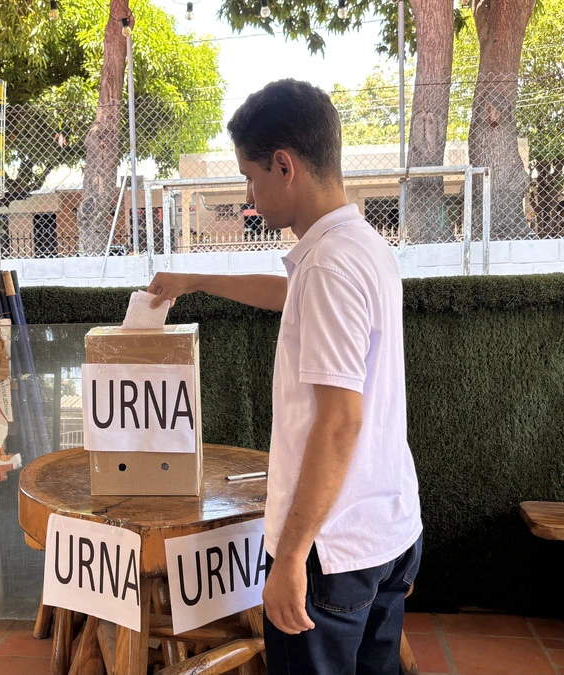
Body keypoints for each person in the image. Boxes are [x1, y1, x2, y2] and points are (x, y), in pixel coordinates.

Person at [147, 79, 423, 674]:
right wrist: (193, 281)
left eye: (250, 176)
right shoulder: (363, 246)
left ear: (284, 165)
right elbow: (289, 294)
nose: (250, 195)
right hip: (388, 529)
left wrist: (292, 556)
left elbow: (341, 421)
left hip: (330, 549)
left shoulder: (327, 266)